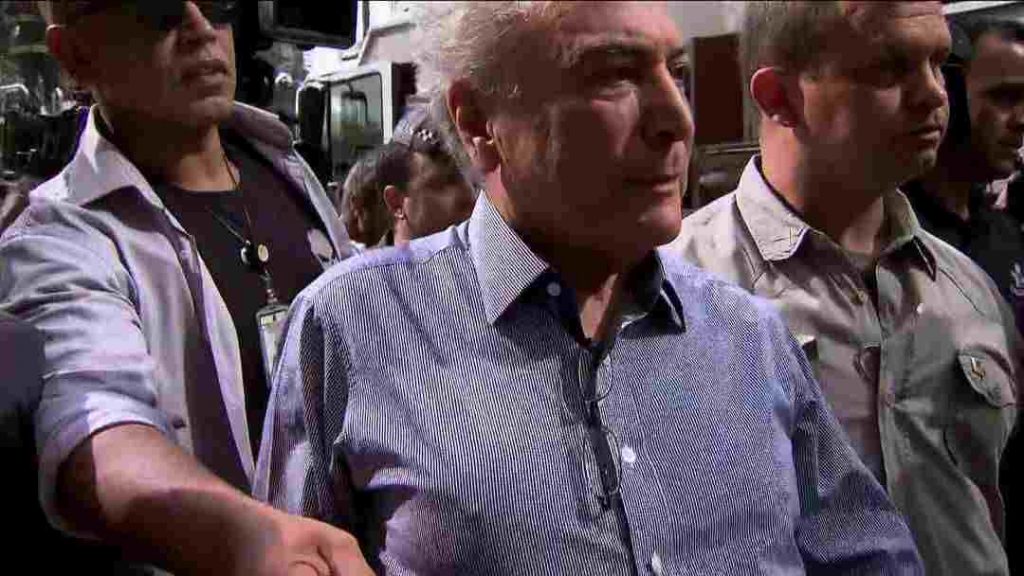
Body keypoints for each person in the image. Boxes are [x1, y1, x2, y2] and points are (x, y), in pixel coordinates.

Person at [256, 2, 921, 573]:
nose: (677, 119)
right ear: (480, 121)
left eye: (677, 73)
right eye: (612, 76)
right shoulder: (349, 327)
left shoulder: (750, 336)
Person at [0, 2, 370, 574]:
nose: (200, 28)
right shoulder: (59, 240)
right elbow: (96, 428)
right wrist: (246, 538)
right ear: (74, 54)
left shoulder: (284, 165)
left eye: (219, 3)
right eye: (157, 9)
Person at [671, 2, 1021, 575]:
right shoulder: (671, 294)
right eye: (890, 67)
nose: (934, 94)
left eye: (938, 63)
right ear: (780, 98)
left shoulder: (967, 290)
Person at [905, 18, 1024, 334]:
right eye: (1005, 97)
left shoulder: (1006, 233)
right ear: (947, 96)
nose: (1021, 120)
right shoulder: (892, 236)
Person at [340, 106, 475, 247]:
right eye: (445, 183)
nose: (469, 195)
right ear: (396, 203)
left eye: (472, 181)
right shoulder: (369, 262)